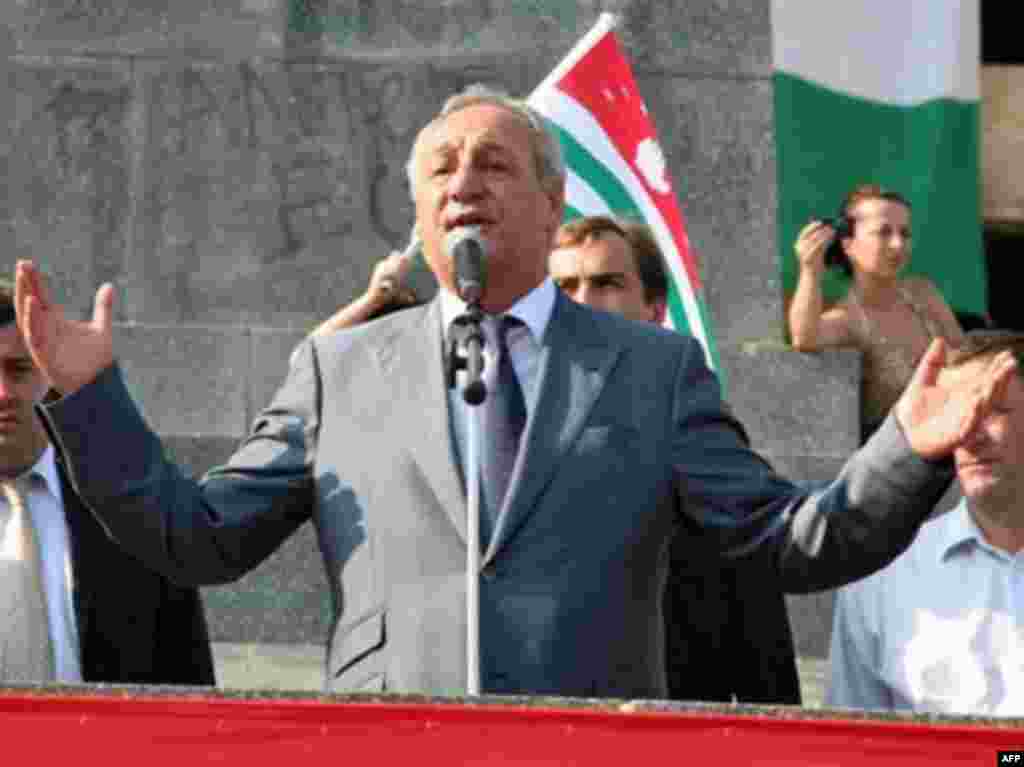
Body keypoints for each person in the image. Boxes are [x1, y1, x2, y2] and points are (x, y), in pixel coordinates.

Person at [13, 85, 1017, 699]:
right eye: (441, 170)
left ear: (552, 203)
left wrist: (909, 446)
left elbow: (791, 542)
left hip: (585, 736)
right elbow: (199, 533)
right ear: (417, 210)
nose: (463, 183)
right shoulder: (340, 368)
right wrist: (91, 397)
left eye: (493, 164)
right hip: (389, 741)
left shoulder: (651, 370)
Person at [549, 214, 800, 704]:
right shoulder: (495, 422)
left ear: (655, 308)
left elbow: (752, 579)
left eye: (606, 283)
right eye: (564, 285)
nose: (581, 301)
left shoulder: (695, 429)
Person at [0, 280, 214, 686]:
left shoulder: (130, 507)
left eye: (18, 369)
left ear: (49, 372)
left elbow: (185, 670)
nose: (3, 393)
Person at [827, 331, 1024, 715]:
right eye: (957, 414)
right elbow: (853, 746)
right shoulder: (880, 574)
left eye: (994, 409)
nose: (969, 432)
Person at [788, 185, 965, 442]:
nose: (898, 244)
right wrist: (810, 268)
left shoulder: (923, 293)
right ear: (848, 244)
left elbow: (965, 358)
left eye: (905, 233)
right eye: (883, 233)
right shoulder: (847, 319)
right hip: (901, 462)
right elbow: (804, 338)